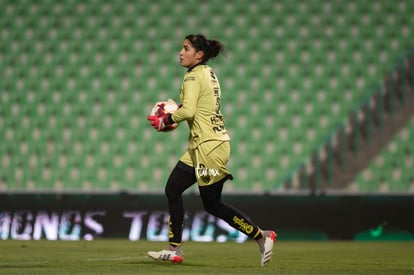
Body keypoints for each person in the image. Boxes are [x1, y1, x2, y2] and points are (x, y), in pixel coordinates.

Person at [147, 34, 276, 267]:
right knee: (173, 189)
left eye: (186, 48)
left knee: (213, 205)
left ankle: (261, 236)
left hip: (210, 147)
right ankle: (174, 249)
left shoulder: (194, 77)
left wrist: (166, 118)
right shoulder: (207, 74)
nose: (180, 52)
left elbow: (188, 112)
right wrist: (175, 111)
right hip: (200, 145)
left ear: (199, 54)